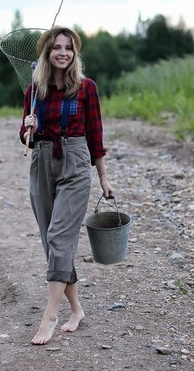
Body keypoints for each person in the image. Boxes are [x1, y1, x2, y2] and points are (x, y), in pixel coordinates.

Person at [19, 25, 114, 345]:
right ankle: (77, 309)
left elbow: (96, 137)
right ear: (47, 53)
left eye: (69, 48)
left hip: (75, 160)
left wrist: (102, 176)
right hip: (42, 161)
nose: (63, 52)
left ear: (75, 53)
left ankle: (49, 316)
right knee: (51, 242)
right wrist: (28, 127)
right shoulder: (35, 91)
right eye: (57, 47)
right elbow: (25, 139)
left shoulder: (86, 88)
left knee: (60, 237)